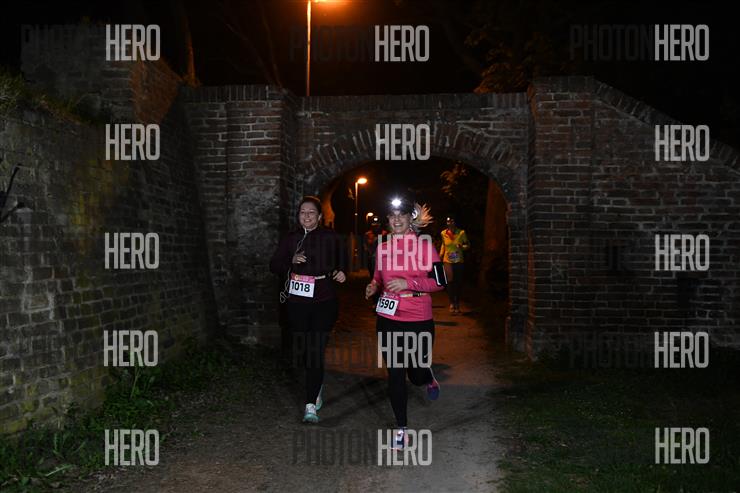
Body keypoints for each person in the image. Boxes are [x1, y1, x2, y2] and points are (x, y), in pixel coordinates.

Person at [365, 195, 443, 450]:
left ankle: (427, 376)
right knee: (396, 373)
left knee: (416, 374)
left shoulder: (424, 247)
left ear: (411, 218)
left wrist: (409, 283)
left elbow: (440, 282)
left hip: (418, 316)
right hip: (388, 317)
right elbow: (378, 277)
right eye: (392, 215)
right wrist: (373, 286)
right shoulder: (382, 248)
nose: (396, 219)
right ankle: (402, 430)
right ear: (387, 220)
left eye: (402, 215)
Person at [269, 196, 347, 423]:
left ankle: (310, 404)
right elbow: (274, 265)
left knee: (315, 349)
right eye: (302, 212)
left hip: (324, 300)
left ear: (320, 216)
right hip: (297, 303)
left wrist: (341, 271)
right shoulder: (290, 238)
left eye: (311, 212)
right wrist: (290, 261)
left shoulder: (330, 237)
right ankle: (317, 382)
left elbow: (343, 261)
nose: (307, 216)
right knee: (304, 349)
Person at [439, 215, 470, 315]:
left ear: (455, 222)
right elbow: (443, 245)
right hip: (447, 260)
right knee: (450, 282)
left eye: (452, 221)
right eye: (448, 222)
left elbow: (467, 245)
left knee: (458, 282)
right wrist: (440, 255)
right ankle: (452, 303)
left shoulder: (461, 233)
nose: (450, 223)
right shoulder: (443, 233)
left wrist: (462, 246)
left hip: (458, 260)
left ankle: (457, 303)